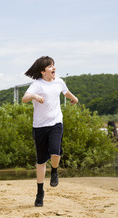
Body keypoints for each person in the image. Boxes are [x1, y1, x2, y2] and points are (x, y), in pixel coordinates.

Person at [22, 56, 78, 207]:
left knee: (55, 151)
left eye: (53, 65)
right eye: (50, 66)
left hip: (55, 123)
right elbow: (24, 98)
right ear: (42, 71)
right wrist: (34, 95)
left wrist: (74, 98)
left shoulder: (59, 81)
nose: (53, 68)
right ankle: (40, 193)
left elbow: (65, 92)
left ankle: (54, 170)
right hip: (39, 126)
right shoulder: (37, 84)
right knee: (40, 161)